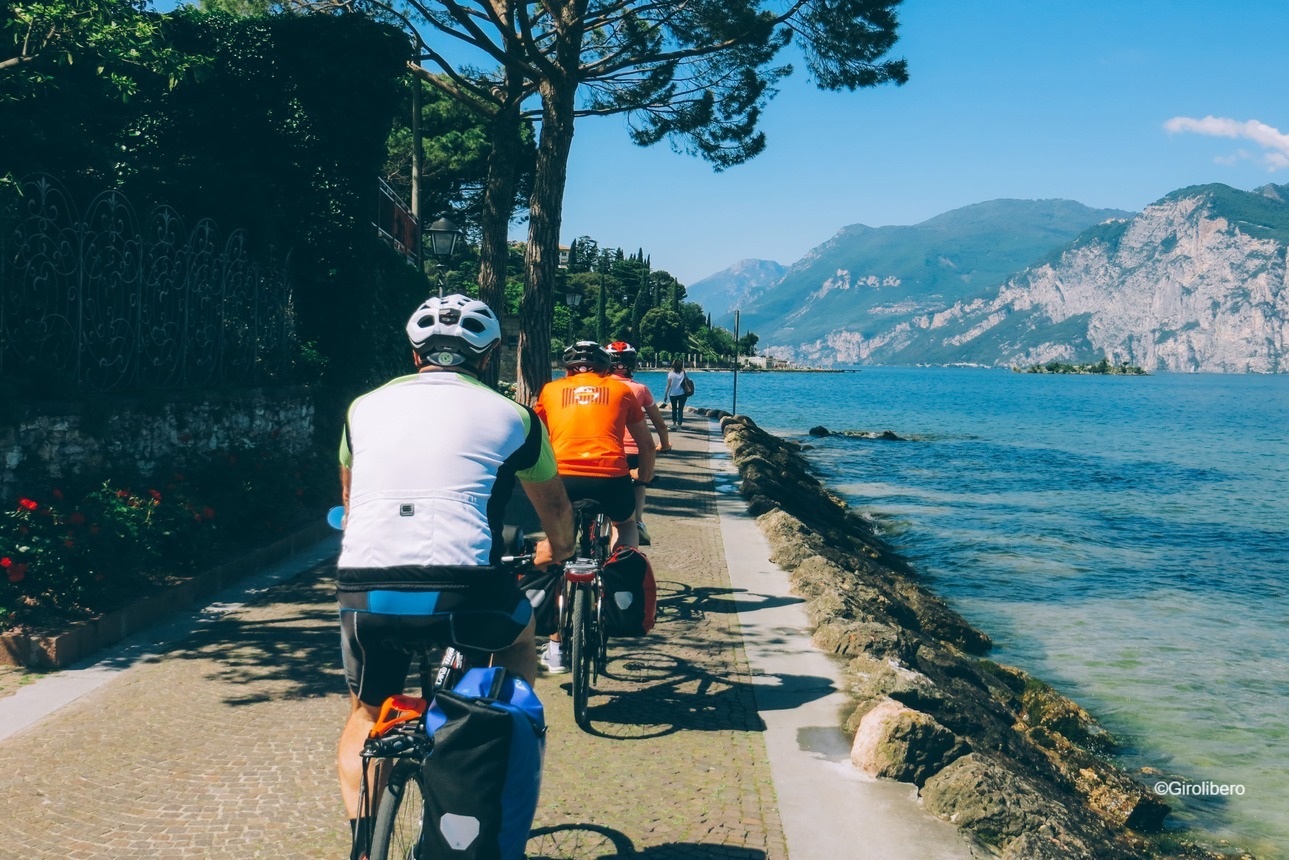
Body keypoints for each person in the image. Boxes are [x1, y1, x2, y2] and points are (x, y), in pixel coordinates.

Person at [335, 293, 575, 855]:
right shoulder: (514, 417)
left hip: (367, 586)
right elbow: (557, 514)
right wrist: (556, 553)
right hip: (466, 587)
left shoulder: (361, 408)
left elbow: (350, 503)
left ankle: (365, 841)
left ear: (414, 351)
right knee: (520, 637)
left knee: (368, 713)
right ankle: (496, 730)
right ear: (489, 357)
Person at [533, 341, 656, 672]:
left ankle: (554, 644)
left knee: (557, 545)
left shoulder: (550, 390)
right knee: (626, 525)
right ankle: (621, 583)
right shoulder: (621, 392)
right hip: (610, 478)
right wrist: (642, 478)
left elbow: (538, 436)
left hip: (562, 480)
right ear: (607, 367)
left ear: (567, 367)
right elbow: (645, 445)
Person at [604, 340, 670, 546]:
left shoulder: (599, 388)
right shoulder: (640, 389)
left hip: (605, 449)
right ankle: (638, 521)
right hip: (634, 451)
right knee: (640, 482)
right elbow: (659, 423)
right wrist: (664, 445)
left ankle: (602, 522)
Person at [663, 358, 690, 429]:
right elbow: (687, 381)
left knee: (674, 409)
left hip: (673, 394)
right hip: (682, 394)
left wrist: (665, 394)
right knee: (680, 410)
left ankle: (674, 423)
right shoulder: (683, 372)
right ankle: (679, 425)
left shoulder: (670, 374)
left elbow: (668, 385)